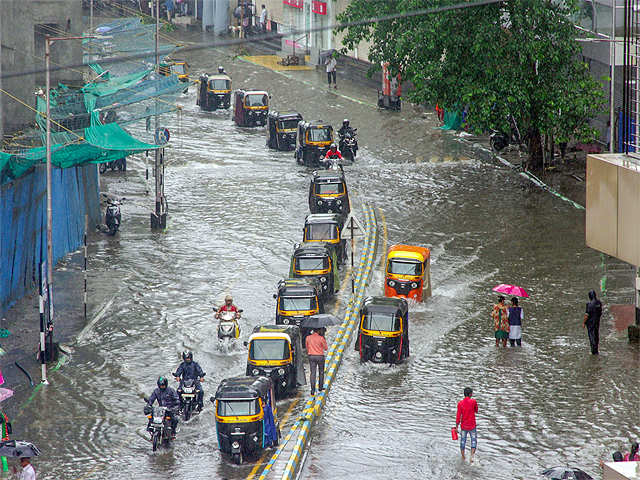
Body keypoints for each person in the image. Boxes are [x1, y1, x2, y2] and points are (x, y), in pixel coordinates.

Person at [455, 387, 478, 463]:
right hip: (472, 425)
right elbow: (476, 410)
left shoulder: (460, 403)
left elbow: (458, 416)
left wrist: (456, 426)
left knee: (463, 441)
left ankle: (463, 457)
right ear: (470, 394)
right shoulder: (473, 402)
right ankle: (471, 457)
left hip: (464, 426)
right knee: (473, 441)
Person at [305, 328, 328, 396]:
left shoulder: (308, 337)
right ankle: (320, 387)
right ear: (318, 331)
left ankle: (312, 390)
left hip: (311, 356)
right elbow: (326, 348)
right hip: (320, 357)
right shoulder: (321, 338)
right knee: (321, 372)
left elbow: (307, 347)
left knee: (313, 373)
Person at [583, 289, 602, 355]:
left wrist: (584, 323)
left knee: (591, 336)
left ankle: (593, 350)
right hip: (597, 322)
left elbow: (586, 315)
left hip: (590, 323)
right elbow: (600, 312)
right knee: (596, 335)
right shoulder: (599, 303)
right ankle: (596, 349)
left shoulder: (589, 304)